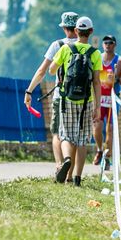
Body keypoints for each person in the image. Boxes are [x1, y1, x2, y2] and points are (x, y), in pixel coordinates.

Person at [29, 15, 101, 186]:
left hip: (66, 99)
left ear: (76, 30)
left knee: (66, 135)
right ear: (91, 31)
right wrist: (97, 107)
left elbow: (51, 70)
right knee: (82, 139)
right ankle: (77, 178)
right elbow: (97, 82)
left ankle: (66, 159)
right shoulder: (95, 53)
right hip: (86, 100)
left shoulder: (65, 48)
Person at [25, 11, 78, 169]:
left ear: (64, 28)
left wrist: (29, 91)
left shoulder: (58, 45)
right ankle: (71, 174)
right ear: (77, 28)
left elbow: (42, 71)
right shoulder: (85, 47)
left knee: (57, 133)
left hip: (60, 97)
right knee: (74, 136)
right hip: (80, 98)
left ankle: (59, 165)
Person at [94, 34, 121, 165]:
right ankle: (99, 150)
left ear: (114, 45)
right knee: (97, 126)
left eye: (110, 43)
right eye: (105, 42)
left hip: (112, 100)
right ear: (102, 44)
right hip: (99, 99)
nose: (107, 45)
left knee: (110, 129)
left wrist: (117, 79)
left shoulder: (120, 61)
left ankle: (107, 156)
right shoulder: (97, 58)